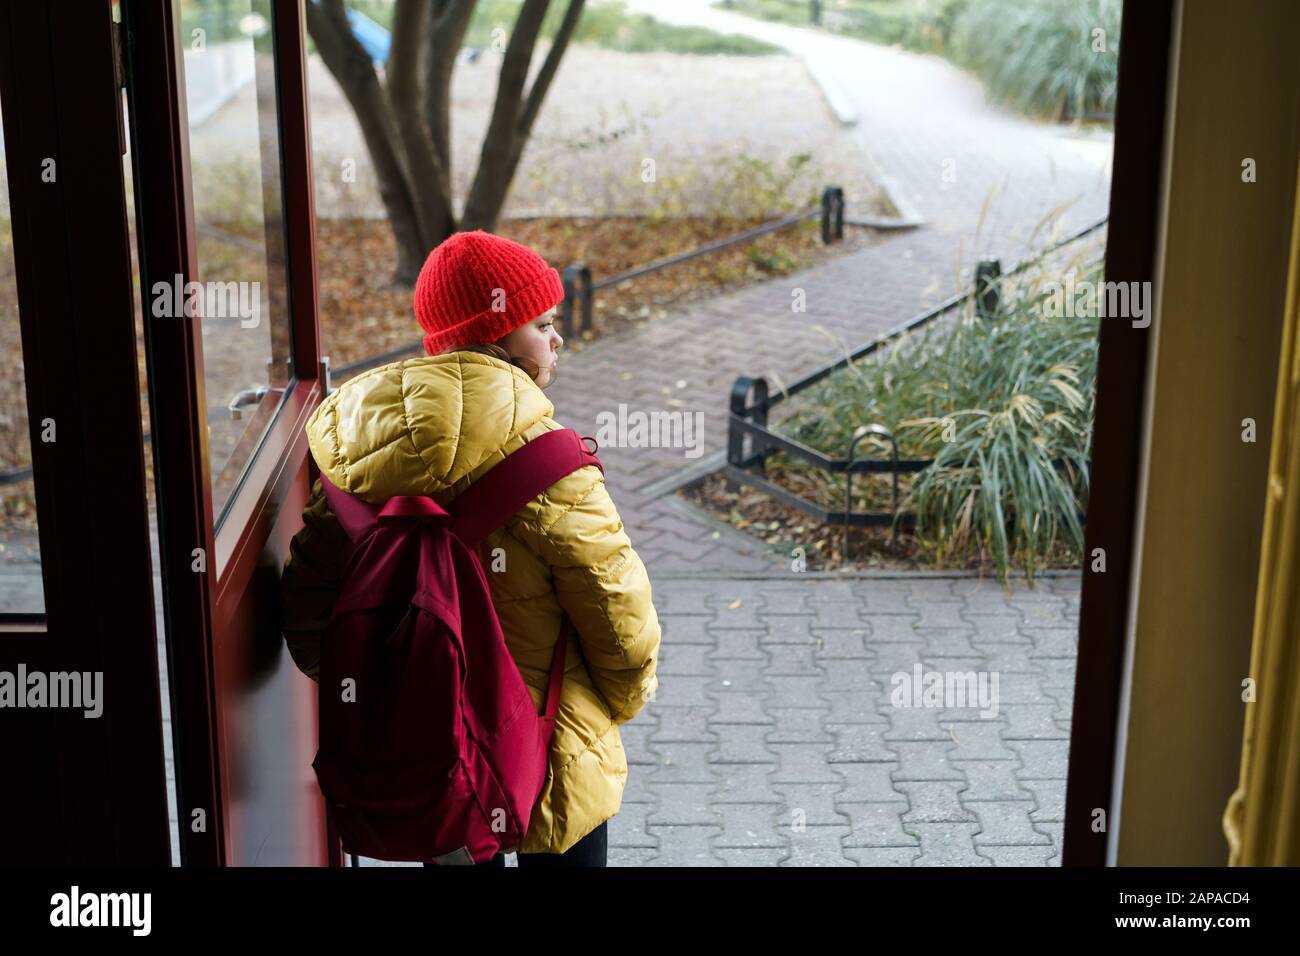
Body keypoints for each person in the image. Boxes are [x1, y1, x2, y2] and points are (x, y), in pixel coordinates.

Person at [279, 230, 661, 868]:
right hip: (550, 743)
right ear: (495, 338)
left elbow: (311, 606)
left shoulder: (353, 457)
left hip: (432, 747)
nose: (557, 338)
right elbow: (615, 607)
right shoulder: (551, 461)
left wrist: (379, 688)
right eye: (542, 325)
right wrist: (620, 700)